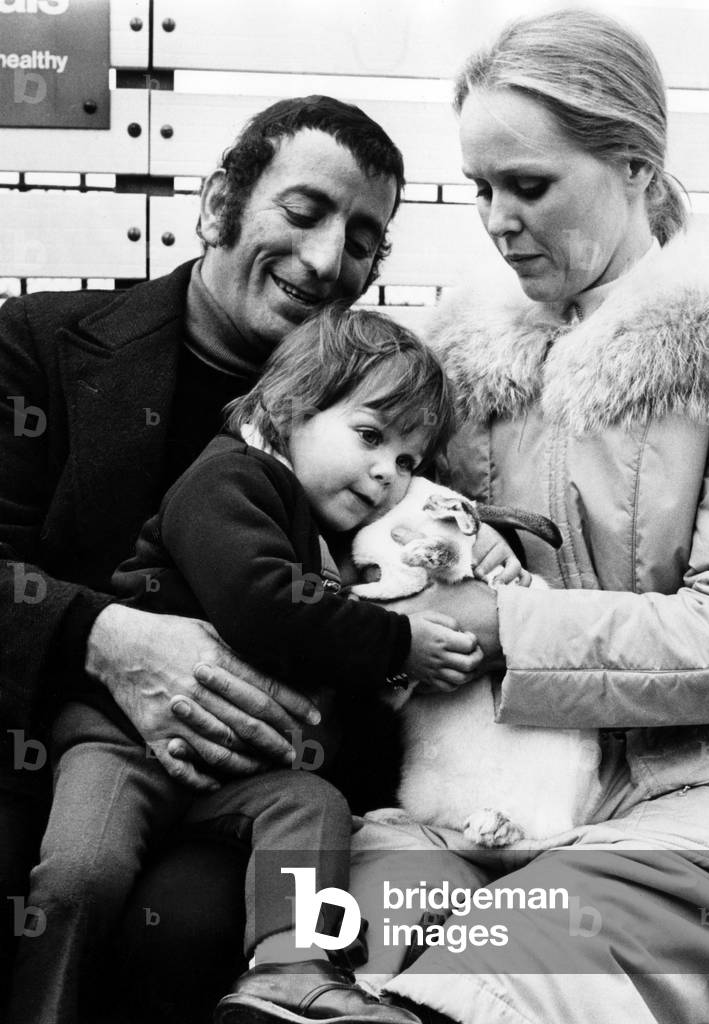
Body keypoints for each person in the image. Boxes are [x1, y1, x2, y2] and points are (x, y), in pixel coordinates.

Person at [343, 10, 709, 1024]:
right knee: (331, 914)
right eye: (479, 187)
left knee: (517, 951)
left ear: (635, 164)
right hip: (490, 788)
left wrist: (501, 625)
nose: (497, 219)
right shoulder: (457, 363)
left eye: (528, 186)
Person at [0, 95, 407, 1020]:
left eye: (361, 240)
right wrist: (106, 636)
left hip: (257, 792)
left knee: (187, 923)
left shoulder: (364, 426)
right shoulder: (37, 344)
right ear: (221, 201)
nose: (324, 260)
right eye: (302, 215)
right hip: (43, 756)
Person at [9, 304, 487, 1024]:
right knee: (82, 872)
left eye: (407, 461)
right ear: (291, 408)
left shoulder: (321, 528)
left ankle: (292, 969)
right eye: (368, 436)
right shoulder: (229, 480)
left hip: (230, 771)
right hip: (125, 744)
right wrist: (398, 641)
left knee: (310, 805)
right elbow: (260, 604)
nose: (386, 472)